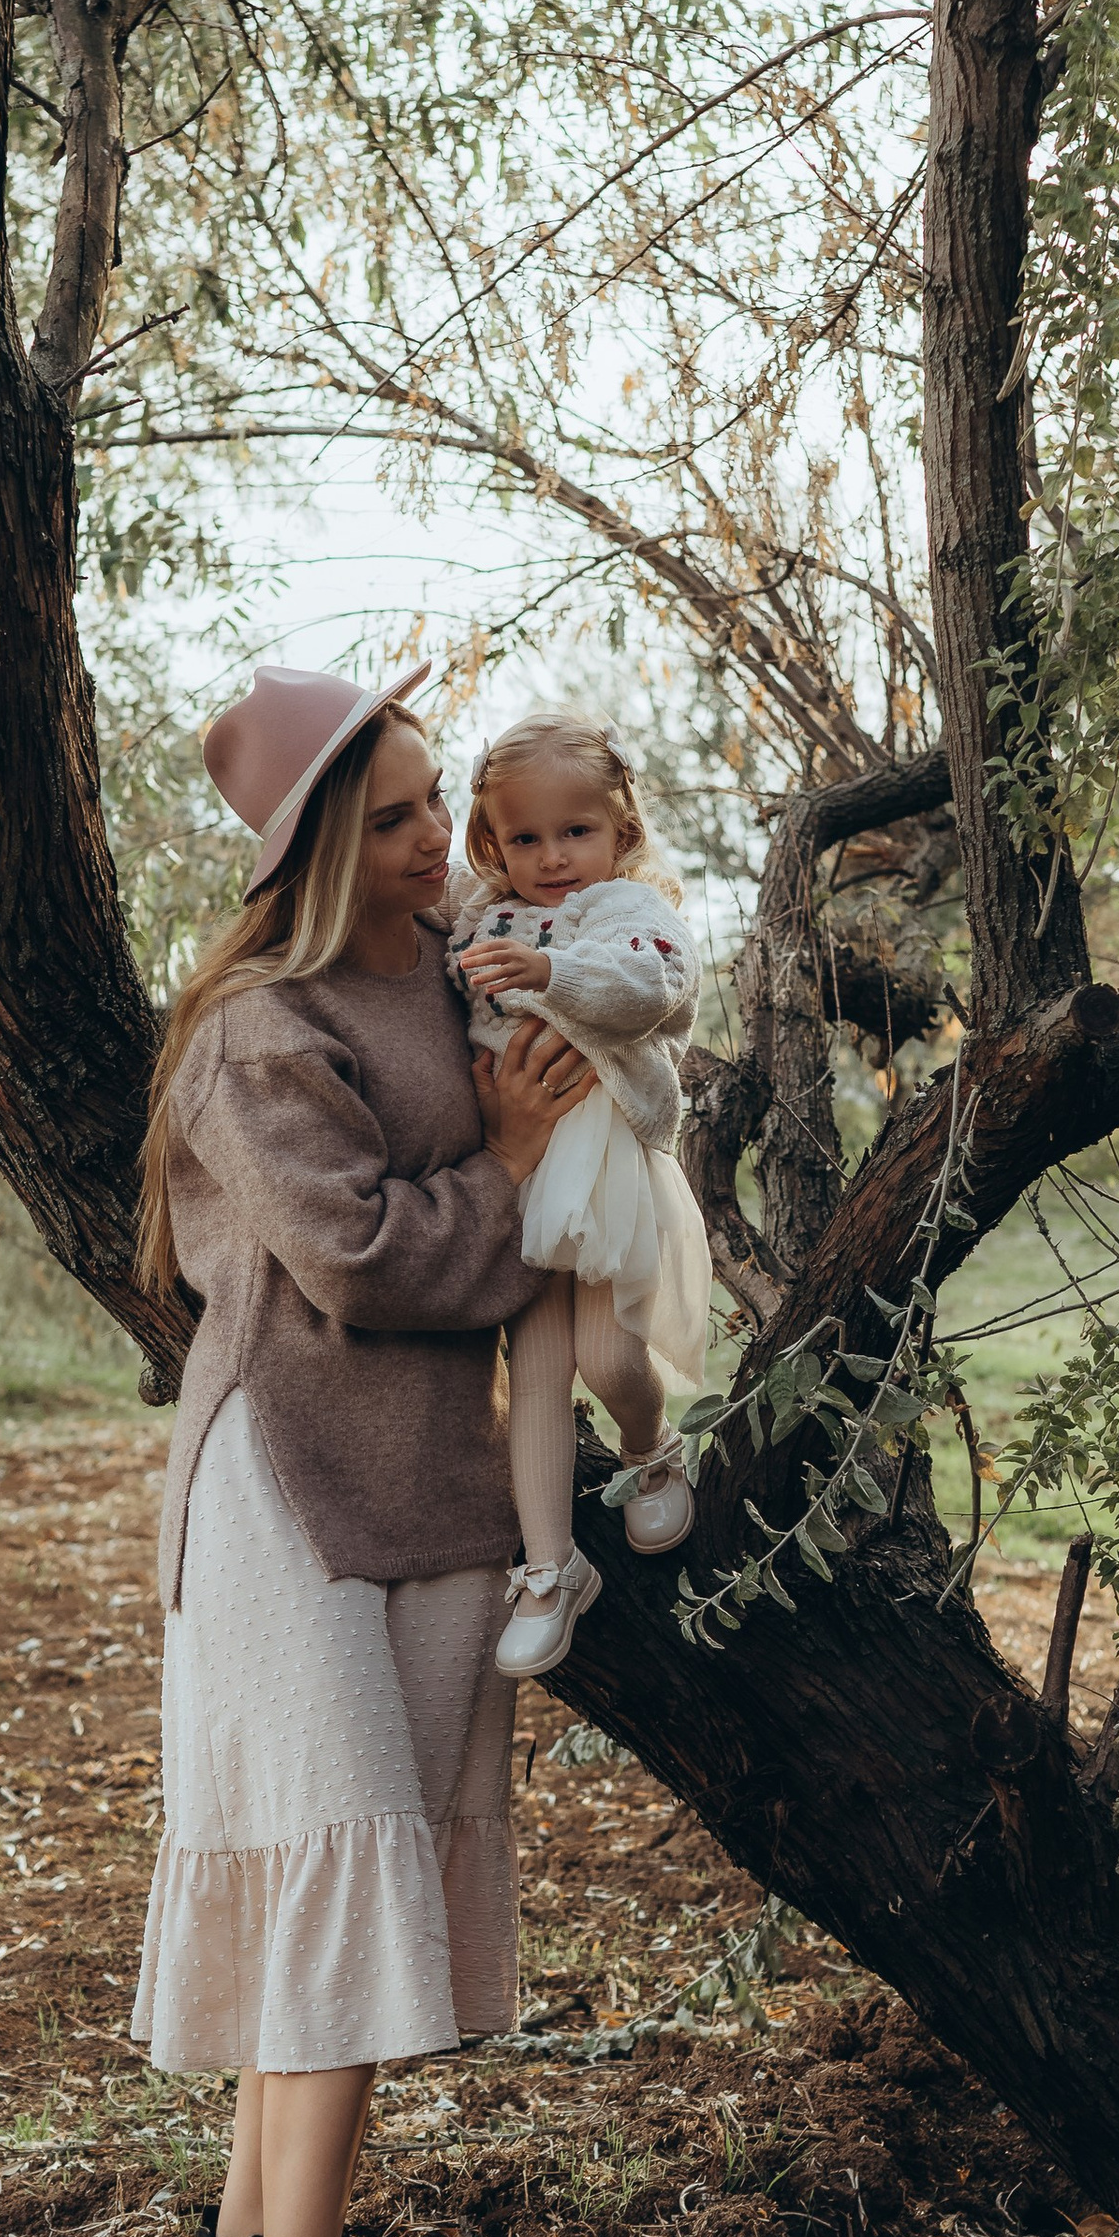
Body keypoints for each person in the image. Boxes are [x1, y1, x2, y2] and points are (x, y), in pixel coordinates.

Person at [130, 660, 595, 2237]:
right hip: (285, 1501)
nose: (443, 839)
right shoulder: (255, 1028)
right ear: (322, 844)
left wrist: (526, 1172)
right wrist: (503, 1178)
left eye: (436, 807)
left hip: (439, 1495)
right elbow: (369, 1257)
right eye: (401, 815)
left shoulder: (469, 976)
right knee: (323, 1947)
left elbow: (576, 1211)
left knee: (328, 1948)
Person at [448, 707, 713, 1679]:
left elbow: (651, 988)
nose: (552, 856)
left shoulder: (627, 913)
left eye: (576, 831)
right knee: (538, 1381)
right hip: (518, 1168)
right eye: (524, 837)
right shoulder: (481, 911)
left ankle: (651, 1447)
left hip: (598, 1170)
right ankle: (551, 1568)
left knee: (609, 1358)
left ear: (621, 832)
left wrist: (550, 968)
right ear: (491, 843)